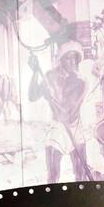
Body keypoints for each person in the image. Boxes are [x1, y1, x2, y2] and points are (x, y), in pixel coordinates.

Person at [28, 40, 92, 182]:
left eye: (75, 58)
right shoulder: (49, 76)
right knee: (53, 174)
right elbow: (32, 96)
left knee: (80, 174)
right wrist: (34, 73)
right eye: (68, 58)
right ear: (61, 60)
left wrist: (51, 95)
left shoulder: (81, 81)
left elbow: (68, 113)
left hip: (75, 129)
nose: (72, 62)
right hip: (57, 128)